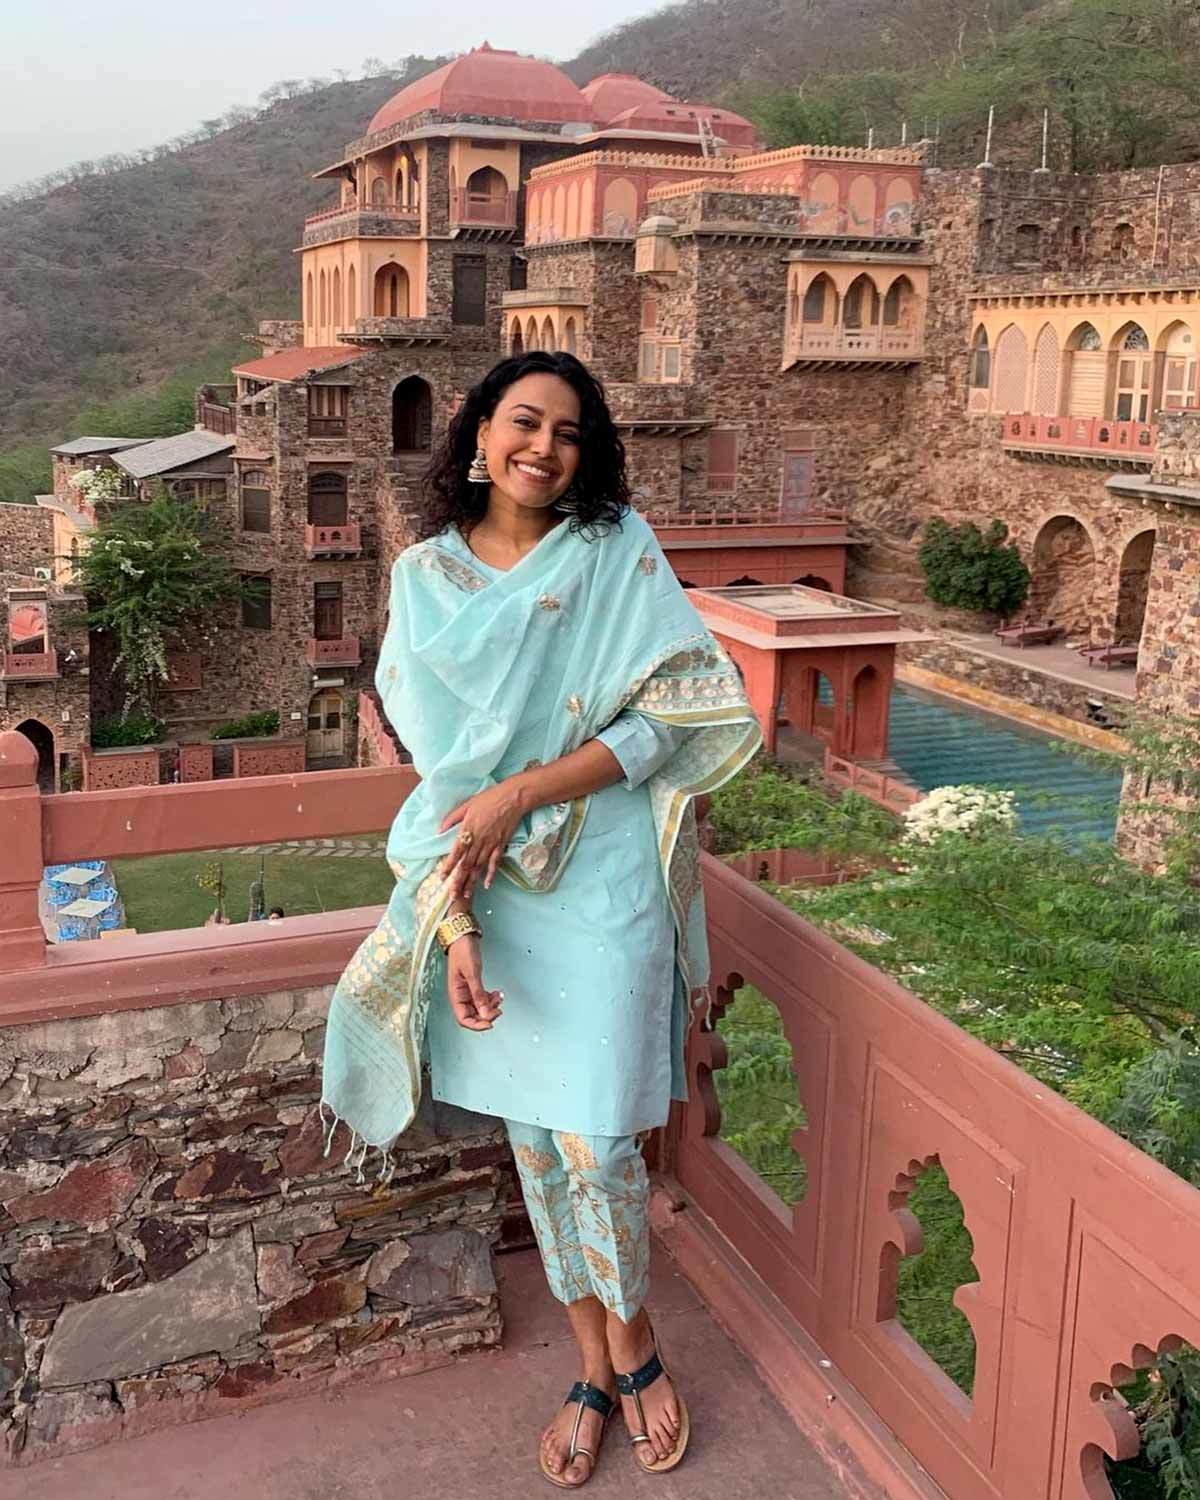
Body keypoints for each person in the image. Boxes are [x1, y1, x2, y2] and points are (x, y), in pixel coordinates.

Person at [320, 351, 760, 1487]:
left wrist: (524, 790)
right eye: (525, 422)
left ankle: (637, 1344)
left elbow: (677, 716)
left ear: (587, 454)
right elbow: (439, 777)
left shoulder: (617, 552)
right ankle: (591, 1367)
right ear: (479, 432)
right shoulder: (426, 576)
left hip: (602, 875)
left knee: (598, 1142)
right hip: (492, 889)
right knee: (537, 1141)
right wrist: (456, 927)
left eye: (570, 433)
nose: (544, 448)